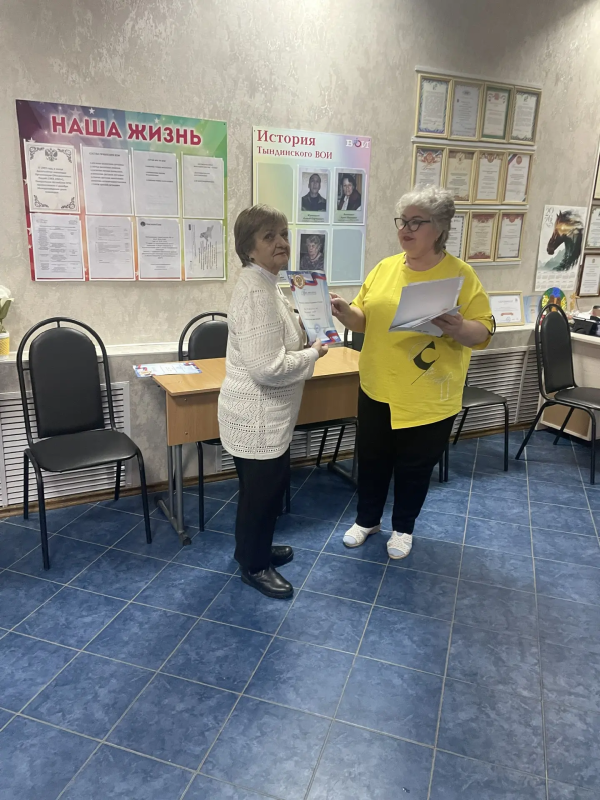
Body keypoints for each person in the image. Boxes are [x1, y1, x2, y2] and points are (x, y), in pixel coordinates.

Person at [331, 186, 493, 560]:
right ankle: (367, 520)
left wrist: (458, 327)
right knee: (371, 460)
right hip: (377, 386)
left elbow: (484, 331)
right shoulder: (385, 268)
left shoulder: (461, 274)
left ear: (439, 228)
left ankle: (403, 528)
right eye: (402, 221)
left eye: (416, 222)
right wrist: (344, 312)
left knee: (414, 468)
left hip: (429, 395)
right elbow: (364, 318)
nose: (405, 229)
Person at [218, 204, 328, 598]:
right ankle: (254, 566)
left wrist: (307, 324)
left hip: (263, 416)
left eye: (283, 233)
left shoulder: (268, 283)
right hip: (257, 418)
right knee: (261, 498)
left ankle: (254, 550)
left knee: (262, 493)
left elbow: (275, 341)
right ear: (249, 249)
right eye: (269, 236)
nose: (281, 242)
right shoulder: (256, 292)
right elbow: (267, 368)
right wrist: (314, 353)